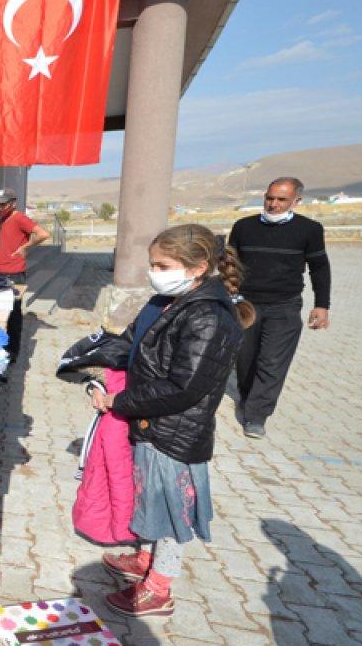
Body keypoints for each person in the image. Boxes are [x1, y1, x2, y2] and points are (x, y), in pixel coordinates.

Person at [94, 225, 253, 617]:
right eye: (152, 264)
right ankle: (145, 560)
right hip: (151, 423)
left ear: (198, 268)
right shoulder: (168, 301)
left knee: (170, 508)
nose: (154, 271)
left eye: (162, 265)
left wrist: (119, 401)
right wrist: (90, 360)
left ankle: (160, 588)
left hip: (175, 432)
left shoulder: (209, 318)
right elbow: (133, 345)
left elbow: (183, 387)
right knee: (149, 497)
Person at [228, 177, 331, 439]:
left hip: (284, 306)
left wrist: (322, 305)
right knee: (245, 358)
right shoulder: (243, 227)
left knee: (272, 362)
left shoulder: (309, 230)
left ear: (297, 200)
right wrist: (228, 296)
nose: (273, 204)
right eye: (269, 198)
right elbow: (229, 265)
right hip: (246, 304)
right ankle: (248, 396)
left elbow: (319, 268)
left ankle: (256, 415)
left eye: (281, 199)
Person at [0, 188, 50, 283]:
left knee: (13, 298)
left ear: (13, 204)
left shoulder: (20, 218)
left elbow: (43, 234)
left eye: (3, 204)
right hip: (1, 270)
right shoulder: (4, 218)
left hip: (13, 272)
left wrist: (25, 247)